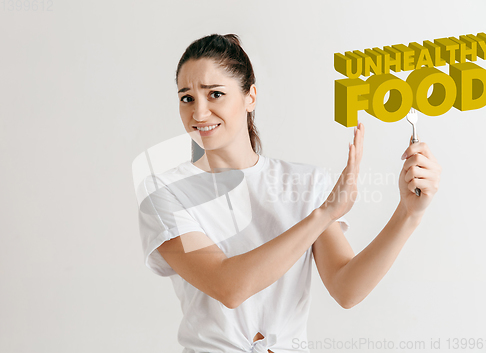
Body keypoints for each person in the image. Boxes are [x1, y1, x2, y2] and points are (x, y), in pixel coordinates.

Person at [137, 33, 442, 353]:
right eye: (187, 98)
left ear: (250, 97)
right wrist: (324, 214)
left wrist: (409, 213)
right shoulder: (165, 193)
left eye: (215, 94)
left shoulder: (304, 183)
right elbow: (227, 287)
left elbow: (346, 288)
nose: (199, 113)